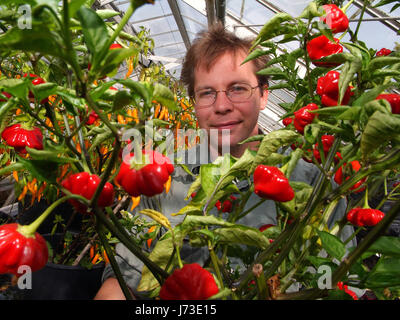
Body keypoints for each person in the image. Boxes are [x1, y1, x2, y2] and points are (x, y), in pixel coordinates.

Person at [94, 23, 354, 300]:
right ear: (193, 101)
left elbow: (338, 282)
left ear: (264, 94)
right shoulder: (162, 178)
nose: (221, 105)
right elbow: (124, 282)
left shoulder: (313, 184)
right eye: (206, 93)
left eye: (238, 89)